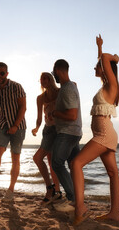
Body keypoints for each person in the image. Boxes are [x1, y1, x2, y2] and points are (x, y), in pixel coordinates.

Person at [71, 34, 119, 225]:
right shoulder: (106, 87)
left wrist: (112, 58)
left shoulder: (112, 85)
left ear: (105, 69)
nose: (94, 67)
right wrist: (99, 48)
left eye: (97, 66)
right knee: (112, 173)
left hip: (104, 135)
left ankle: (80, 208)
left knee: (76, 164)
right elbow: (102, 61)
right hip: (105, 134)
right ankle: (114, 213)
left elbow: (105, 60)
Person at [0, 62, 27, 202]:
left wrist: (15, 125)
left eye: (2, 73)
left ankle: (10, 190)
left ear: (7, 73)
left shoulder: (16, 86)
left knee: (15, 158)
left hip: (18, 126)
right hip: (2, 124)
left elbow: (22, 108)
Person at [49, 59, 83, 212]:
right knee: (74, 166)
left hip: (68, 133)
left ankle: (73, 199)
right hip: (73, 132)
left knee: (56, 163)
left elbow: (72, 115)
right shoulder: (67, 87)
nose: (53, 75)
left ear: (57, 70)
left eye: (53, 72)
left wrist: (56, 113)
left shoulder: (68, 88)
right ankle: (79, 201)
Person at [32, 72, 62, 204]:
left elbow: (74, 85)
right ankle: (52, 189)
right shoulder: (40, 98)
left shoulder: (61, 91)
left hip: (61, 130)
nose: (43, 80)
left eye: (46, 78)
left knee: (54, 162)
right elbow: (39, 118)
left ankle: (57, 191)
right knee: (41, 159)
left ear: (51, 79)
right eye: (41, 79)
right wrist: (36, 128)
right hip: (48, 130)